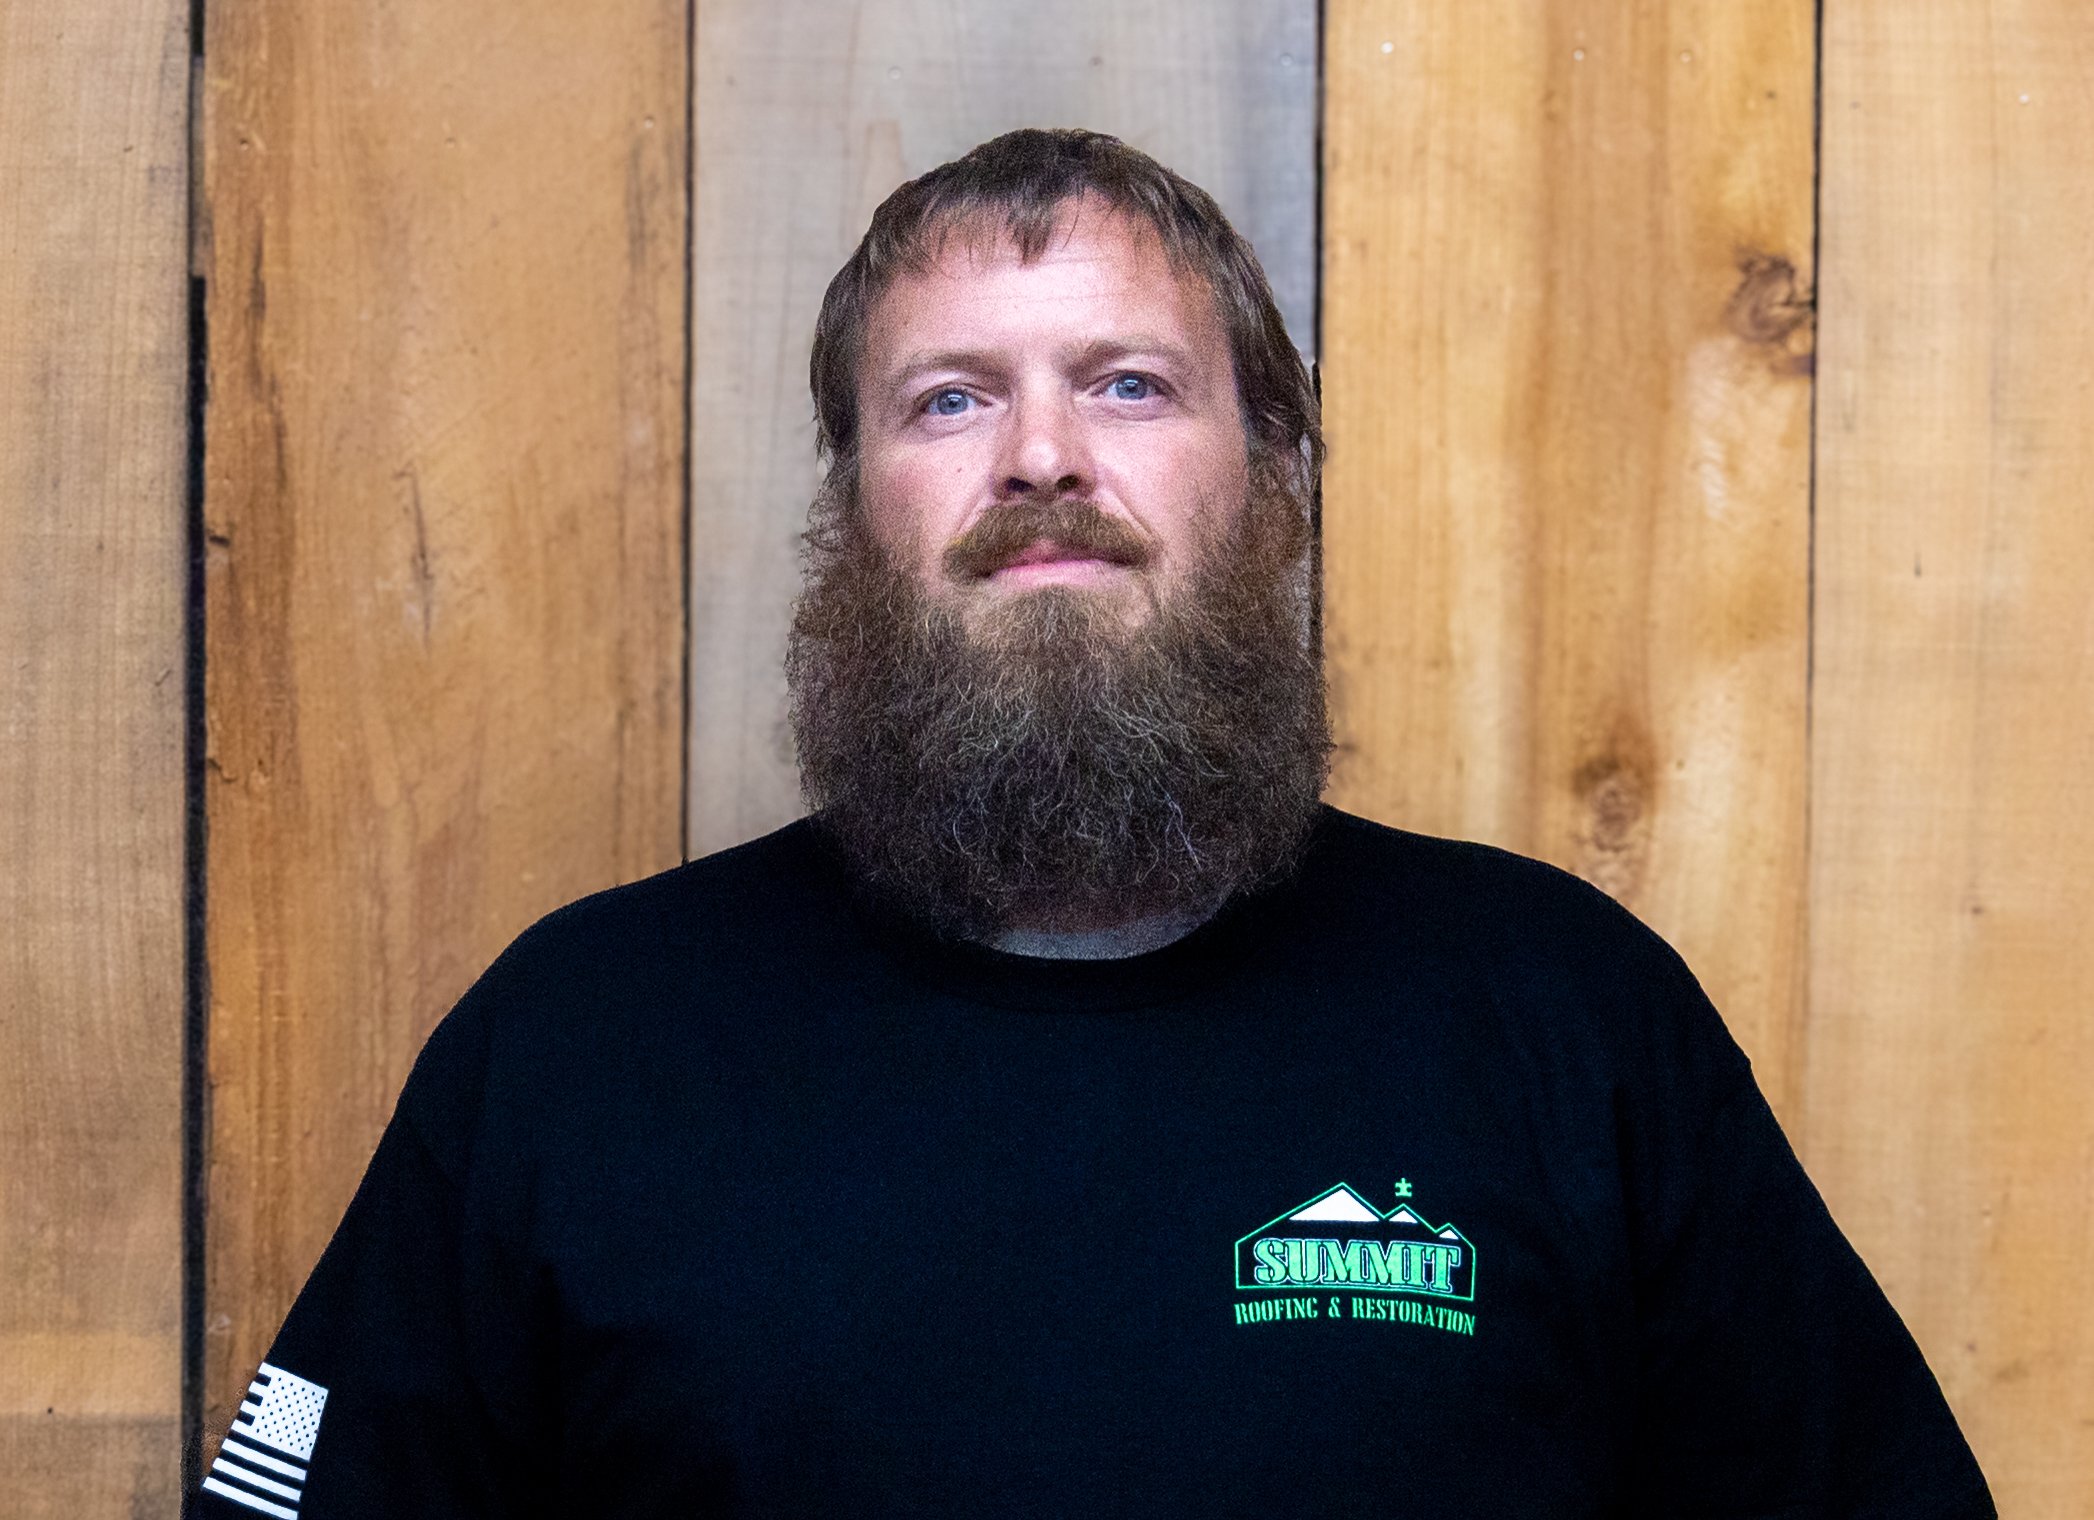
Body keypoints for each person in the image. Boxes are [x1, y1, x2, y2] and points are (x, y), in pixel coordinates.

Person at [198, 128, 1993, 1518]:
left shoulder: (1565, 1016)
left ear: (1270, 481)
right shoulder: (578, 1043)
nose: (1041, 458)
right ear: (853, 513)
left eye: (1127, 383)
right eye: (951, 399)